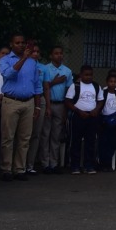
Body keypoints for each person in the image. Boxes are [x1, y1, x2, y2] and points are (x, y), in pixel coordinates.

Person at [0, 33, 43, 181]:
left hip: (28, 102)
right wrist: (23, 58)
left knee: (24, 138)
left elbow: (37, 84)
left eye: (23, 43)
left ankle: (20, 169)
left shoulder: (32, 62)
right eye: (17, 43)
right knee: (8, 137)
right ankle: (6, 169)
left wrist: (37, 106)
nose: (21, 45)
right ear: (11, 44)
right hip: (11, 101)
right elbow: (9, 74)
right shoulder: (5, 60)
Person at [35, 46, 73, 174]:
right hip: (48, 103)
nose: (59, 56)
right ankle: (45, 163)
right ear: (51, 56)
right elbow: (42, 87)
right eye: (56, 53)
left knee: (56, 135)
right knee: (45, 134)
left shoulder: (67, 71)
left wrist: (66, 110)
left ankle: (54, 163)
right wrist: (55, 82)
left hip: (61, 104)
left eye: (61, 53)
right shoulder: (45, 69)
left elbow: (69, 91)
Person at [65, 65, 102, 174]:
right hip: (78, 117)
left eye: (90, 75)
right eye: (86, 75)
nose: (88, 77)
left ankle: (89, 165)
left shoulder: (96, 86)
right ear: (81, 75)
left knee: (90, 142)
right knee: (75, 141)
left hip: (92, 117)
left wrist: (96, 109)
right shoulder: (75, 86)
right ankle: (75, 166)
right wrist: (78, 111)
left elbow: (100, 100)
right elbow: (67, 101)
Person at [97, 71, 116, 171]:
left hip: (115, 122)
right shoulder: (103, 93)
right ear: (107, 82)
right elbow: (99, 107)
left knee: (112, 143)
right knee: (103, 142)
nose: (113, 83)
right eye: (111, 81)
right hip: (104, 121)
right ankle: (102, 163)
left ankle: (108, 163)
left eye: (114, 81)